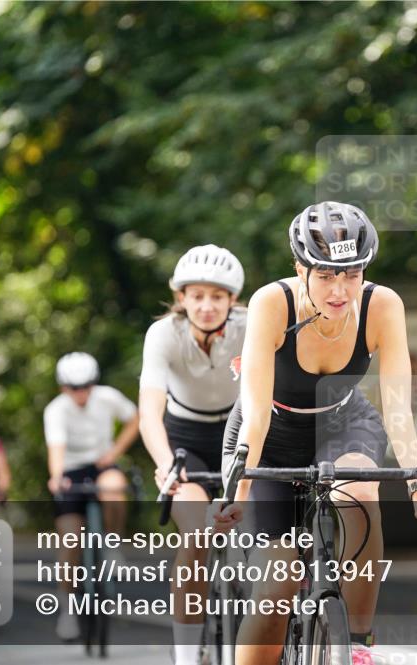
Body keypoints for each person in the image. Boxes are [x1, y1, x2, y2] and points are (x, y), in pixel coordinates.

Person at [216, 201, 417, 665]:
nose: (340, 290)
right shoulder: (272, 303)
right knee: (275, 591)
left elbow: (398, 408)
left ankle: (360, 645)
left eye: (351, 274)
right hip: (272, 430)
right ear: (299, 268)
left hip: (344, 421)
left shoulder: (382, 305)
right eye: (325, 275)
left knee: (360, 494)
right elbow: (258, 414)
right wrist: (239, 490)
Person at [139, 244, 247, 665]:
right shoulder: (163, 333)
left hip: (240, 434)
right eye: (196, 295)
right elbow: (150, 412)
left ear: (232, 300)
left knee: (266, 531)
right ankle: (186, 655)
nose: (206, 306)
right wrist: (166, 465)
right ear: (180, 297)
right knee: (198, 535)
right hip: (186, 441)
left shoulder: (253, 325)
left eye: (217, 296)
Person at [44, 352, 139, 641]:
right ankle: (67, 611)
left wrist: (114, 452)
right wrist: (57, 476)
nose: (81, 393)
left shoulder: (107, 397)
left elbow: (135, 418)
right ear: (63, 388)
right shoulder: (56, 410)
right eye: (74, 388)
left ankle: (112, 543)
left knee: (115, 487)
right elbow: (56, 448)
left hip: (101, 464)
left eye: (86, 386)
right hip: (71, 471)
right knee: (70, 540)